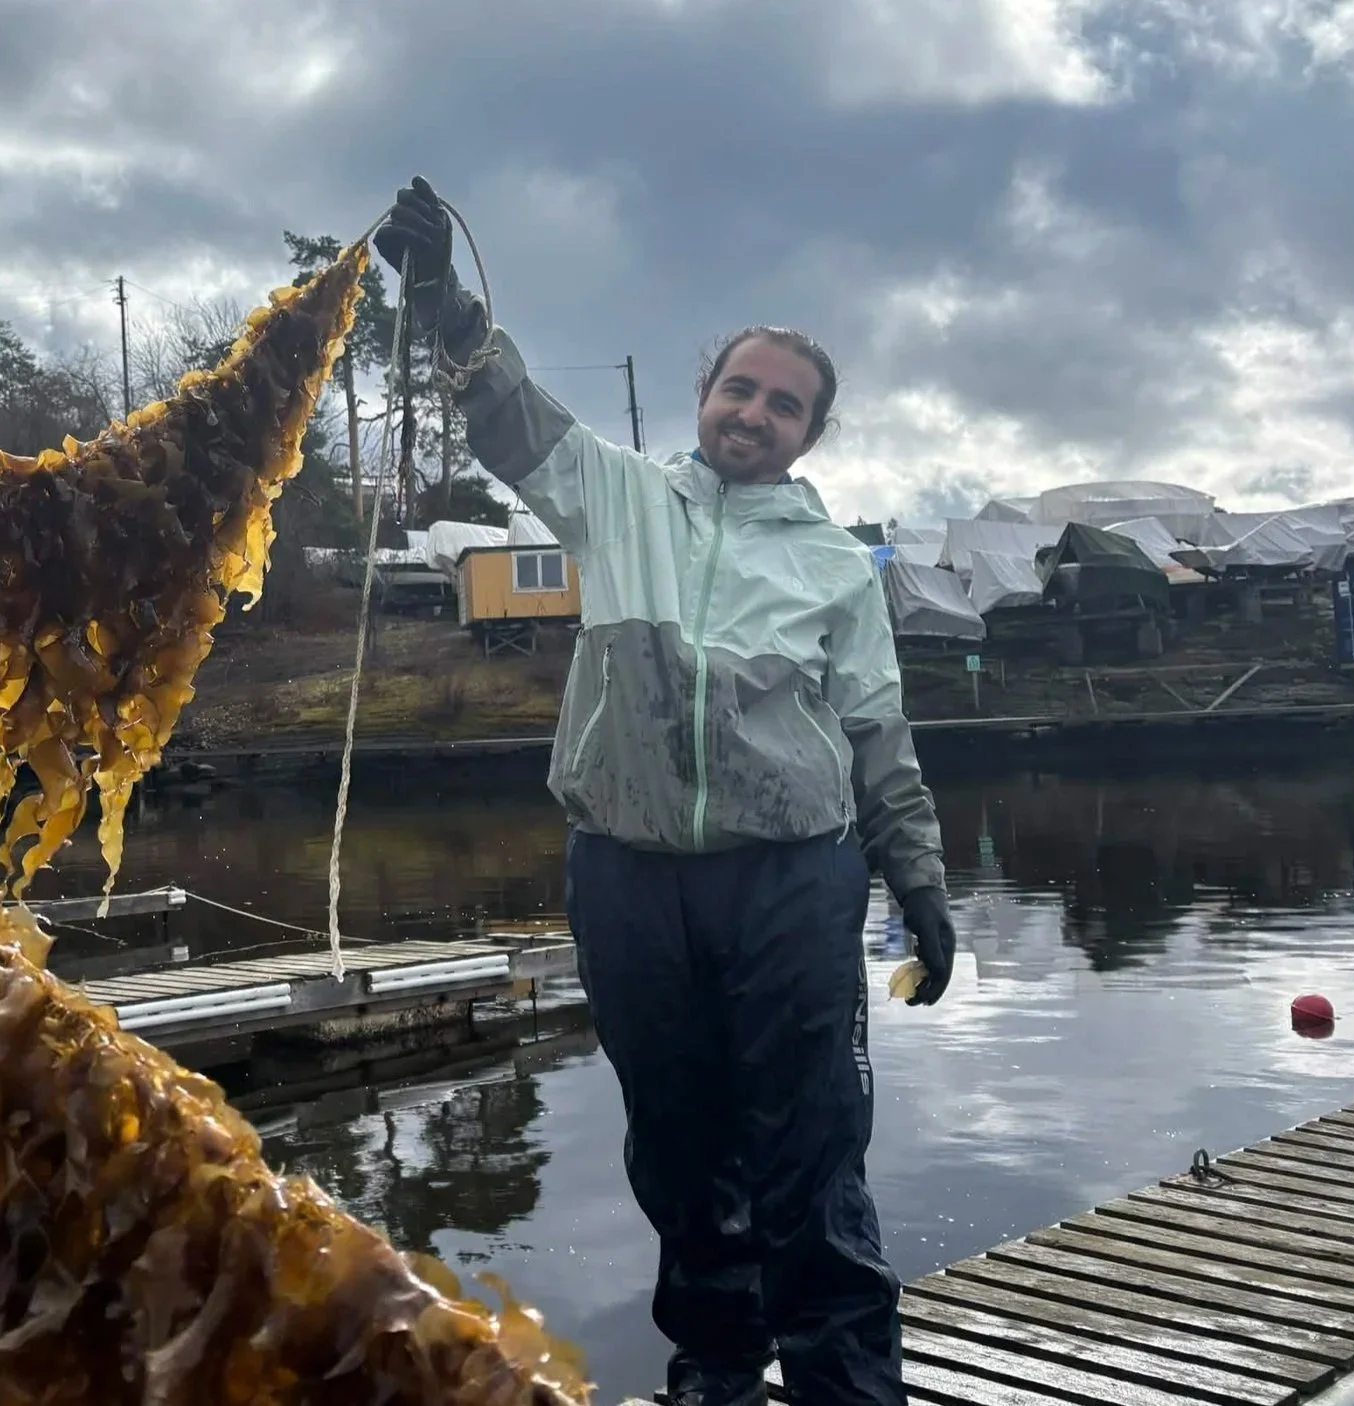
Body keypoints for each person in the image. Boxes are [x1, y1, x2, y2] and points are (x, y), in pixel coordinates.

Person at [374, 177, 956, 1406]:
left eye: (783, 403)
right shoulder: (614, 494)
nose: (755, 412)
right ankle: (717, 1371)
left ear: (809, 434)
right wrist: (440, 300)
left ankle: (849, 1380)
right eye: (739, 388)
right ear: (703, 399)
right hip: (628, 874)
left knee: (809, 1147)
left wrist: (919, 880)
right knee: (680, 1147)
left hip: (791, 877)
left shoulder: (838, 567)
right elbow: (507, 413)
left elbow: (875, 734)